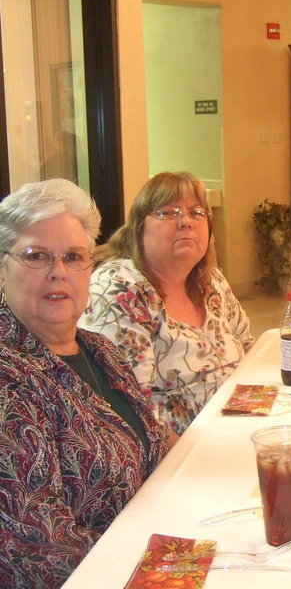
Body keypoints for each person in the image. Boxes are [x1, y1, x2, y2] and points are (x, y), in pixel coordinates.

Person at [0, 180, 167, 587]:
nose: (59, 272)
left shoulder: (99, 349)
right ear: (3, 269)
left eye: (74, 257)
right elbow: (41, 548)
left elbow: (154, 445)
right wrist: (172, 565)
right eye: (36, 256)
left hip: (152, 542)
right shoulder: (8, 379)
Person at [80, 171, 253, 434]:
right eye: (168, 212)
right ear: (139, 228)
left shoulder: (211, 281)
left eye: (197, 213)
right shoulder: (120, 290)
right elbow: (131, 411)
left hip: (238, 426)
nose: (185, 222)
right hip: (179, 455)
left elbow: (249, 349)